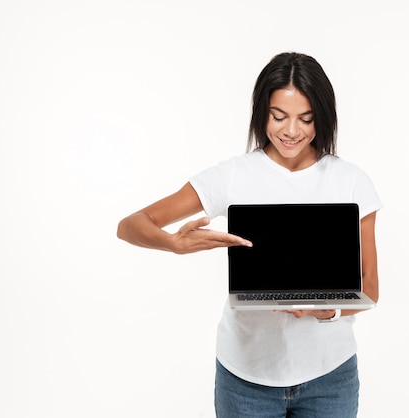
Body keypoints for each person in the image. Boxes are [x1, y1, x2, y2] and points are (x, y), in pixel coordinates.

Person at [117, 52, 382, 417]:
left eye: (306, 118)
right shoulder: (232, 176)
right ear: (262, 113)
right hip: (245, 380)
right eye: (279, 116)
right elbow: (131, 224)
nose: (292, 131)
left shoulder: (351, 181)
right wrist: (174, 243)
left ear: (323, 116)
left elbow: (370, 288)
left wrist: (329, 311)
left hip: (329, 377)